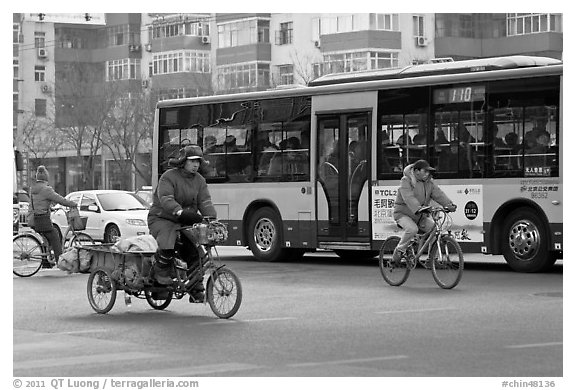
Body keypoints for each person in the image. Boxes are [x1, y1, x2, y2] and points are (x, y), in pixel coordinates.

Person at [147, 145, 217, 301]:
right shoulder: (168, 176)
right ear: (183, 161)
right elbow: (166, 198)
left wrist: (211, 218)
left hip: (185, 221)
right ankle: (160, 277)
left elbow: (205, 201)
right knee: (168, 242)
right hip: (162, 218)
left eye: (198, 161)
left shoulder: (200, 180)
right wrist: (179, 211)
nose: (196, 165)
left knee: (196, 252)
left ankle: (195, 288)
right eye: (192, 161)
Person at [392, 160, 457, 263]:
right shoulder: (406, 180)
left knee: (434, 229)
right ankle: (399, 251)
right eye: (425, 171)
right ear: (417, 171)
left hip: (419, 215)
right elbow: (408, 197)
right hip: (403, 214)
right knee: (412, 229)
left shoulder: (429, 183)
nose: (427, 174)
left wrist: (449, 205)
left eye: (428, 172)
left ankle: (431, 259)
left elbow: (439, 195)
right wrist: (418, 208)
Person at [30, 165, 78, 267]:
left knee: (46, 239)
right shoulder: (46, 189)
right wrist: (72, 204)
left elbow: (39, 203)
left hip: (33, 219)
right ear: (46, 178)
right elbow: (60, 199)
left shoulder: (33, 188)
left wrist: (50, 208)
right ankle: (60, 262)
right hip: (43, 219)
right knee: (55, 236)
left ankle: (46, 262)